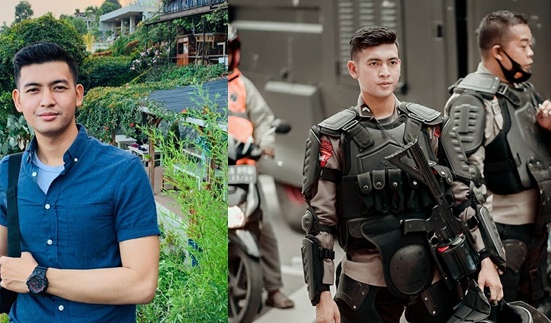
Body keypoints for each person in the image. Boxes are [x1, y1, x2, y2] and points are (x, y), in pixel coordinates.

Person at [300, 26, 504, 323]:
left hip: (434, 275)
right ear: (354, 69)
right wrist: (322, 296)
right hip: (365, 284)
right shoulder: (332, 137)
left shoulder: (432, 127)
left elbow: (464, 201)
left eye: (392, 62)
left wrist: (485, 260)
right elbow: (320, 222)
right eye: (374, 63)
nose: (385, 72)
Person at [0, 42, 160, 323]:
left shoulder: (123, 172)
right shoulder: (10, 170)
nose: (46, 100)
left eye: (58, 87)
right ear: (18, 101)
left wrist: (37, 278)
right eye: (33, 90)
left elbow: (141, 283)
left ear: (77, 95)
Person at [444, 10, 551, 311]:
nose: (531, 53)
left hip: (536, 234)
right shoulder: (471, 101)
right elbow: (462, 186)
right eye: (523, 45)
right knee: (504, 314)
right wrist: (484, 257)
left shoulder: (523, 91)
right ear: (498, 52)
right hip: (502, 238)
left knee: (537, 310)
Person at [227, 23, 295, 309]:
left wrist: (265, 145)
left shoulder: (243, 86)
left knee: (263, 228)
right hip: (213, 172)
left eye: (230, 50)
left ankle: (274, 288)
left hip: (243, 169)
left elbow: (266, 121)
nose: (228, 56)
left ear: (236, 52)